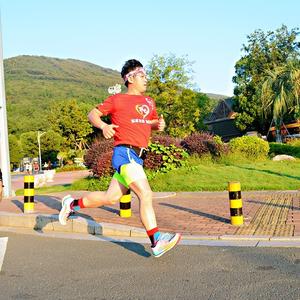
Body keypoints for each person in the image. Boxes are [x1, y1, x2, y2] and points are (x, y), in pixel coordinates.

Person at [59, 59, 181, 257]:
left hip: (138, 156)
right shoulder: (116, 100)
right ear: (130, 78)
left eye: (145, 75)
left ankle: (71, 204)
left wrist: (156, 125)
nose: (146, 79)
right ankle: (156, 240)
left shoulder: (149, 101)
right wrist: (104, 126)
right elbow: (93, 114)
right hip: (125, 153)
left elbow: (147, 122)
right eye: (142, 75)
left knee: (110, 198)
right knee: (145, 194)